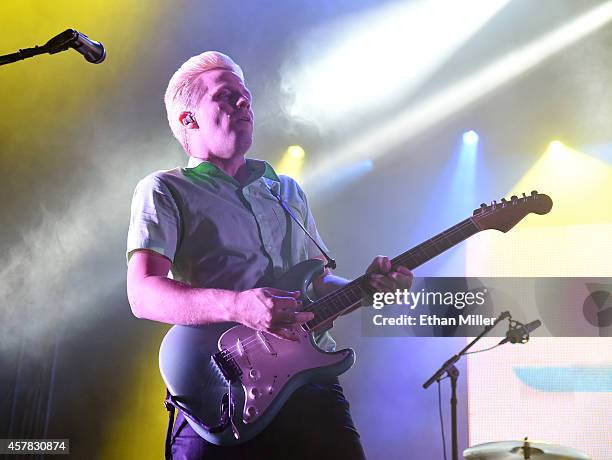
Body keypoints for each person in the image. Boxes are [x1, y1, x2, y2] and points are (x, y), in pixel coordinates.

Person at [126, 51, 413, 459]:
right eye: (226, 97)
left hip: (309, 381)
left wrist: (369, 288)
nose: (245, 103)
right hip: (224, 384)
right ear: (189, 119)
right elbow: (143, 294)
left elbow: (314, 284)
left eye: (246, 97)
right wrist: (240, 306)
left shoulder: (287, 190)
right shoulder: (165, 189)